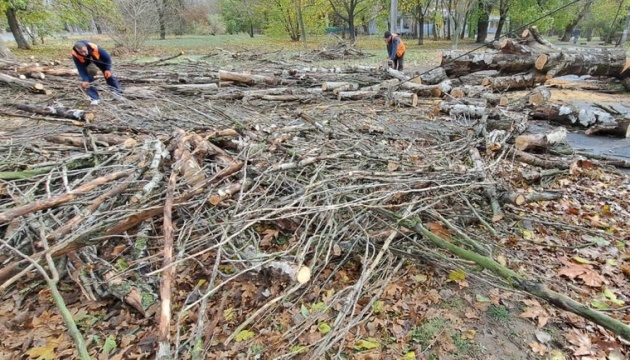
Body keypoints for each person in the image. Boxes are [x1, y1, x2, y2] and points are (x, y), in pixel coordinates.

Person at [72, 40, 122, 105]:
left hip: (97, 58)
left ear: (86, 47)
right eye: (81, 52)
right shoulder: (75, 54)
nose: (84, 53)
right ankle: (94, 98)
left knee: (109, 75)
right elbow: (81, 68)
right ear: (77, 51)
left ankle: (117, 93)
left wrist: (107, 69)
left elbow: (107, 58)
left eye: (84, 51)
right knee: (89, 77)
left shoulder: (94, 47)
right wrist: (85, 80)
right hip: (86, 62)